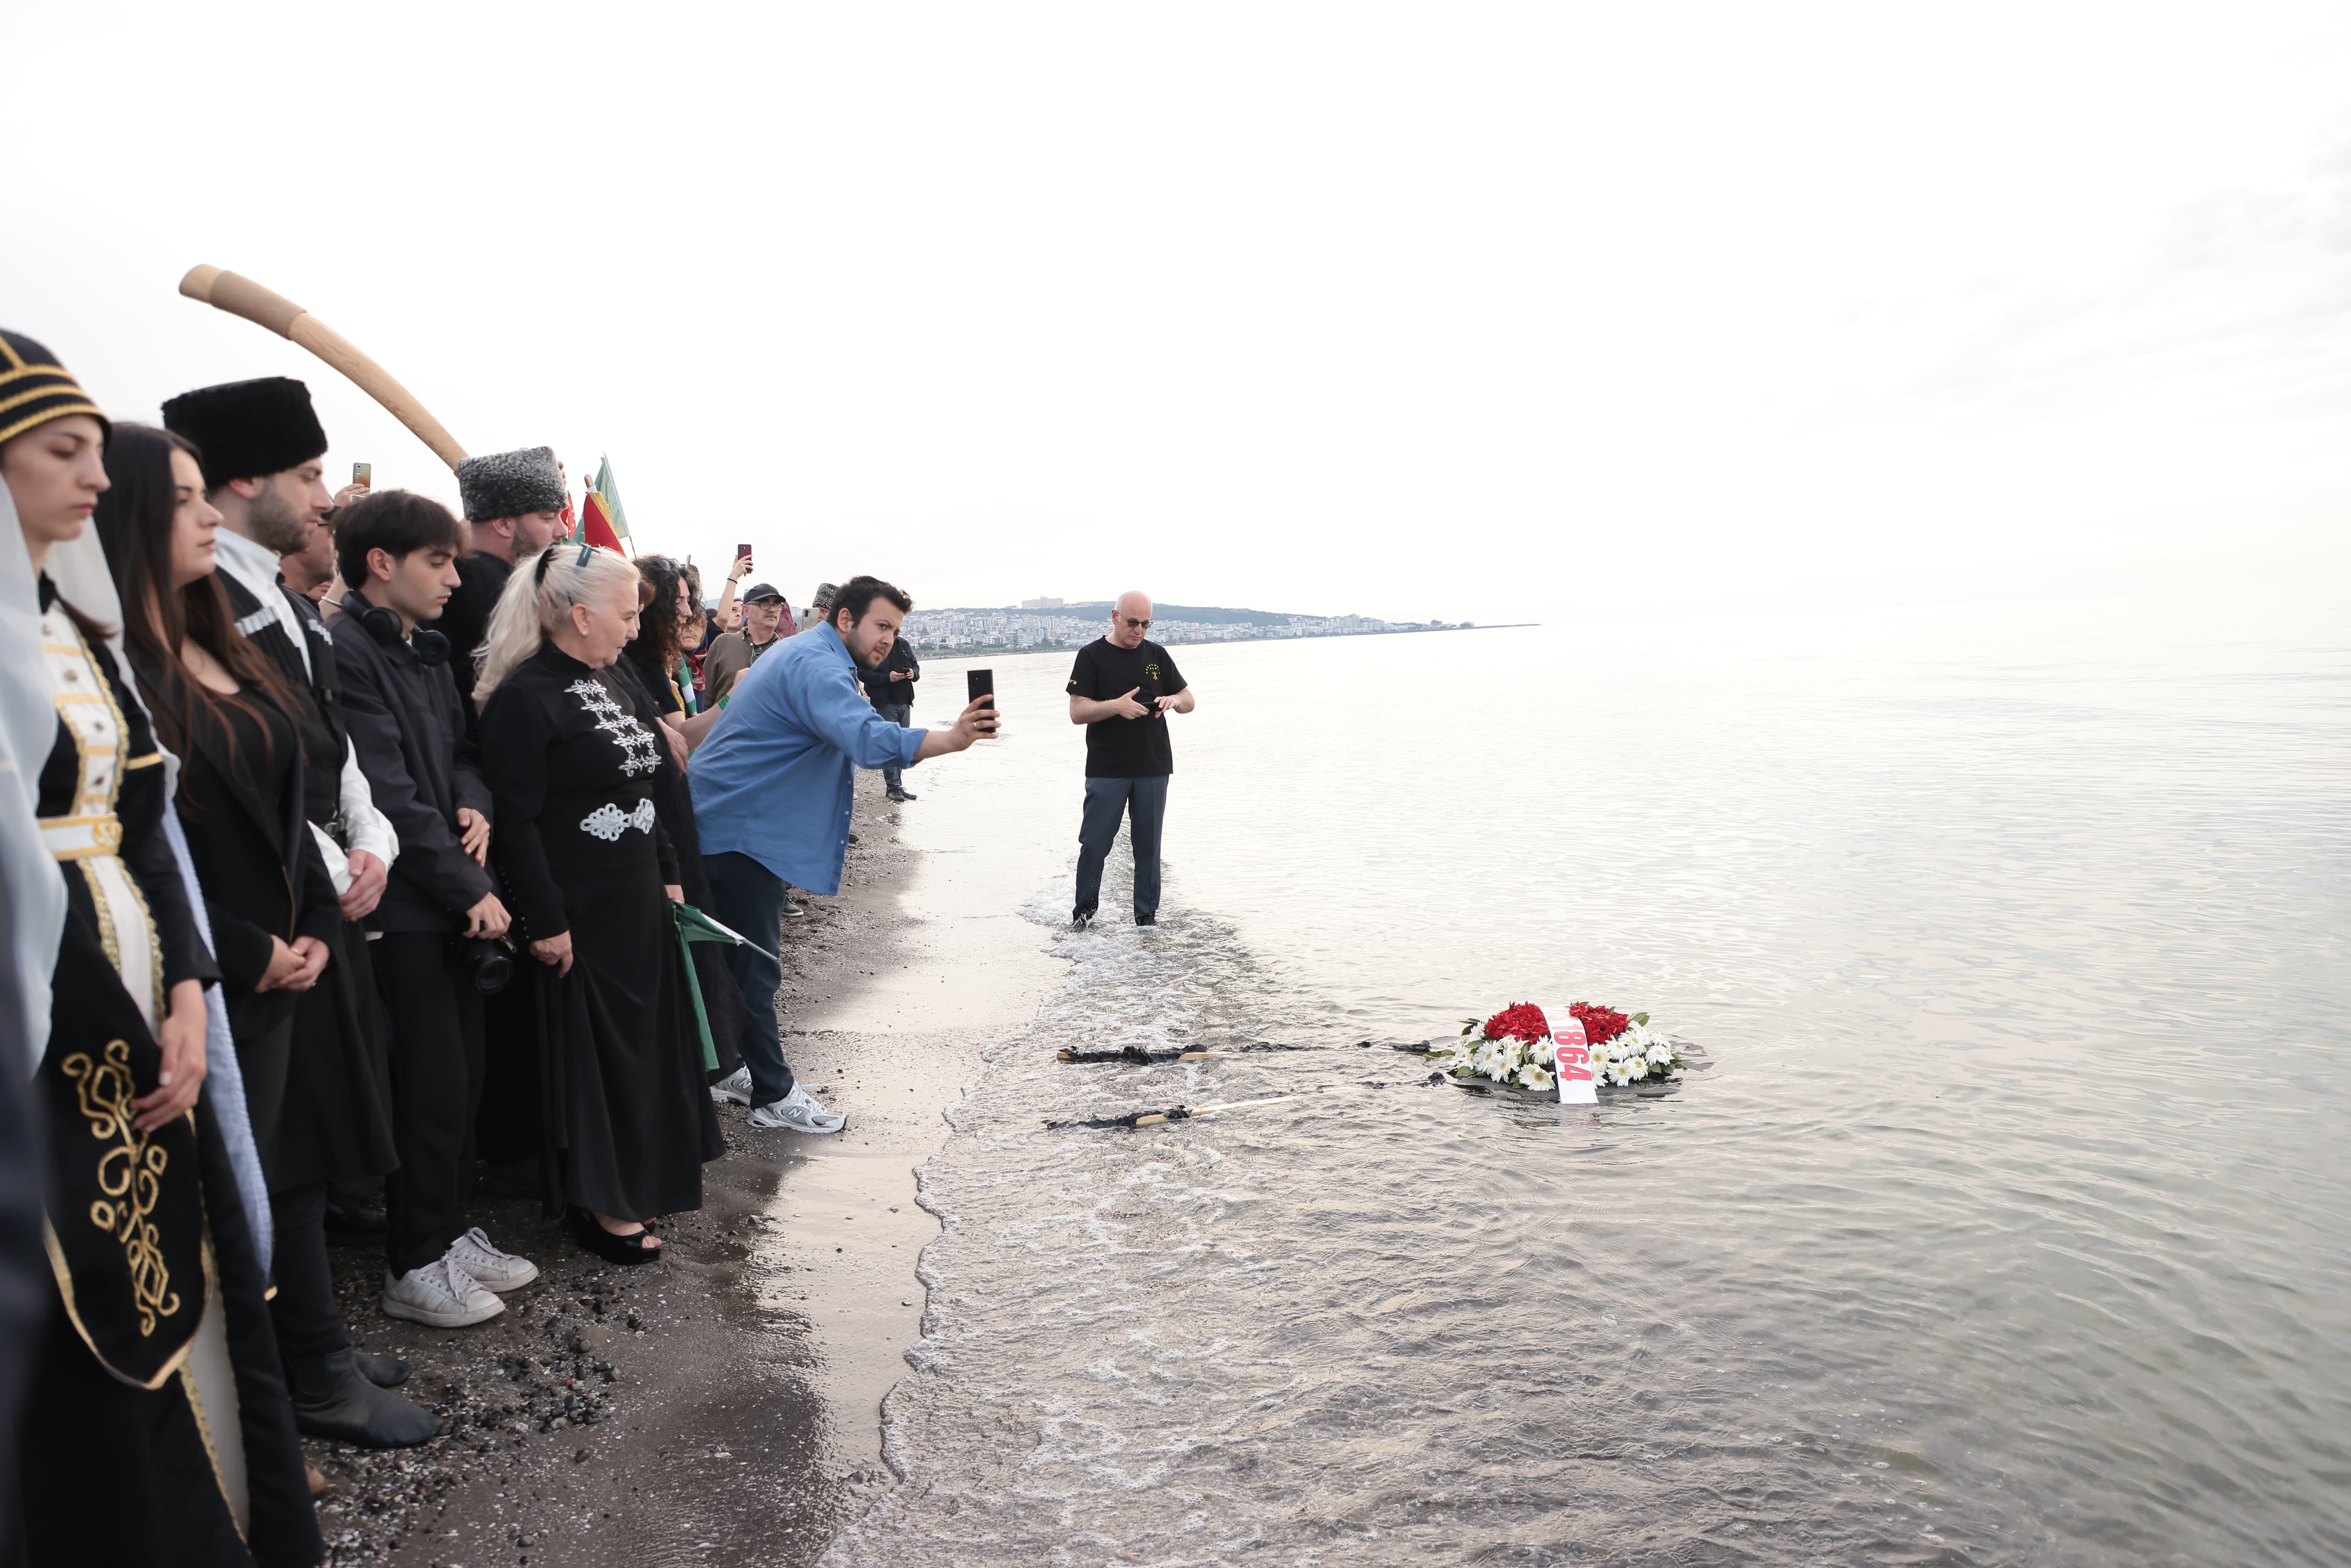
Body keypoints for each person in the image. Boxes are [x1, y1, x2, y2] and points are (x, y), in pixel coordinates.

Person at [4, 335, 323, 1565]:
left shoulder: (72, 627)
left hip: (147, 999)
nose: (95, 477)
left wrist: (187, 985)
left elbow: (145, 827)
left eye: (100, 453)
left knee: (179, 1267)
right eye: (62, 450)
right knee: (79, 1302)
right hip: (43, 1025)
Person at [99, 425, 433, 1450]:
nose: (210, 516)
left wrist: (322, 913)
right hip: (220, 963)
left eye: (208, 494)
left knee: (305, 1158)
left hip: (299, 940)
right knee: (255, 1180)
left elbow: (304, 786)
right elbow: (136, 841)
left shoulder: (229, 634)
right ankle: (296, 1377)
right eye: (184, 500)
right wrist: (247, 951)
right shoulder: (121, 663)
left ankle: (313, 1352)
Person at [475, 544, 724, 1262]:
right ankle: (601, 1199)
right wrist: (545, 920)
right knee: (599, 1058)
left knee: (644, 1049)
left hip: (638, 898)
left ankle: (640, 1179)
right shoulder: (526, 696)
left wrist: (669, 872)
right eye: (626, 613)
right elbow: (516, 820)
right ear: (581, 616)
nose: (636, 626)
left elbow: (645, 786)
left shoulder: (613, 677)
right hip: (578, 909)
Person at [330, 490, 538, 1328]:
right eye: (439, 561)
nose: (456, 578)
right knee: (428, 1086)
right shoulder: (347, 649)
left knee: (465, 1079)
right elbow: (385, 792)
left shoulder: (422, 648)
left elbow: (459, 754)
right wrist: (470, 887)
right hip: (405, 905)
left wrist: (474, 804)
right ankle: (413, 1261)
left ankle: (448, 1232)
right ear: (382, 563)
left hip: (450, 893)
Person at [693, 575, 997, 1131]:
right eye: (881, 625)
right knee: (755, 969)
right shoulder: (819, 665)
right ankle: (773, 1097)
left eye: (895, 630)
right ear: (844, 619)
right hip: (741, 831)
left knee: (725, 961)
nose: (887, 639)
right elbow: (869, 740)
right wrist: (953, 738)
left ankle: (727, 1069)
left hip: (721, 821)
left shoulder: (801, 652)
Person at [1066, 590, 1195, 928]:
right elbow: (1077, 711)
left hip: (1153, 765)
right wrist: (1116, 706)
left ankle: (1147, 922)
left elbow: (1189, 699)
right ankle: (1083, 917)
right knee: (1095, 844)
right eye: (1133, 622)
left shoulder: (1157, 654)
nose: (1139, 630)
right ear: (1115, 617)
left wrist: (1174, 701)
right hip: (1107, 768)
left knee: (1148, 849)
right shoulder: (1091, 656)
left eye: (1146, 624)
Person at [434, 445, 567, 720]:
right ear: (504, 525)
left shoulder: (490, 575)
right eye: (548, 518)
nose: (562, 530)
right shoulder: (476, 582)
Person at [856, 625, 921, 802]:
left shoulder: (903, 644)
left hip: (905, 701)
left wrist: (913, 673)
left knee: (903, 744)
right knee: (890, 743)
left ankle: (897, 785)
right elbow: (862, 674)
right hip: (885, 703)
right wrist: (887, 678)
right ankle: (892, 787)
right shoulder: (871, 646)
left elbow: (916, 666)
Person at [699, 579, 788, 704]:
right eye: (764, 604)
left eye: (777, 605)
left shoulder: (786, 652)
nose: (772, 610)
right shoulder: (724, 643)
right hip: (722, 717)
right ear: (747, 611)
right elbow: (705, 697)